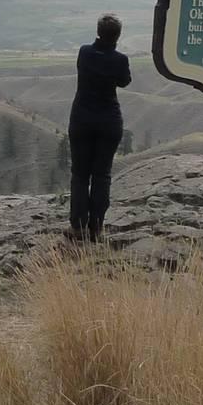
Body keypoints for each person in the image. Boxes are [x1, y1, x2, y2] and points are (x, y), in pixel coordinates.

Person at [68, 13, 131, 241]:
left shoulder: (84, 52)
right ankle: (97, 228)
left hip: (82, 120)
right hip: (109, 121)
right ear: (118, 35)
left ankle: (78, 227)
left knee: (80, 175)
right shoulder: (120, 60)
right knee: (102, 175)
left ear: (98, 31)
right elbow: (124, 81)